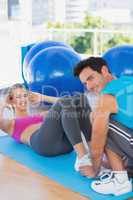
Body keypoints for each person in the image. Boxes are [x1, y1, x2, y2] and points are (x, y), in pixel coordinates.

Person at [0, 83, 95, 176]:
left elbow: (69, 102)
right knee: (65, 102)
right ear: (11, 100)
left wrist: (42, 97)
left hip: (65, 145)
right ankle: (83, 158)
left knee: (80, 99)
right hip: (43, 144)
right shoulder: (11, 124)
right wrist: (4, 103)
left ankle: (93, 152)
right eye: (18, 97)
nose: (23, 99)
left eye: (25, 95)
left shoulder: (40, 115)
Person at [74, 57, 133, 196]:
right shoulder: (127, 81)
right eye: (85, 83)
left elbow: (99, 135)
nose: (88, 86)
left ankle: (120, 182)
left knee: (101, 123)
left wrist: (95, 168)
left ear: (104, 70)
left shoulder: (108, 97)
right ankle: (124, 170)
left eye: (90, 78)